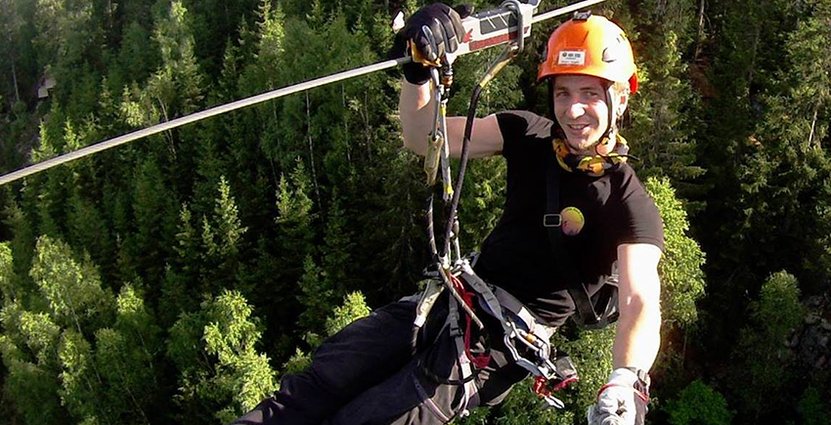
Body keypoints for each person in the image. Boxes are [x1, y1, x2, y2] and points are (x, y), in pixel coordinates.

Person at [230, 3, 663, 425]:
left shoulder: (627, 201)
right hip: (450, 299)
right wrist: (419, 70)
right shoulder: (526, 133)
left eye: (590, 93)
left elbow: (639, 300)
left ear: (621, 97)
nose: (572, 109)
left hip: (493, 348)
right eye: (563, 92)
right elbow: (423, 137)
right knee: (320, 382)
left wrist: (626, 379)